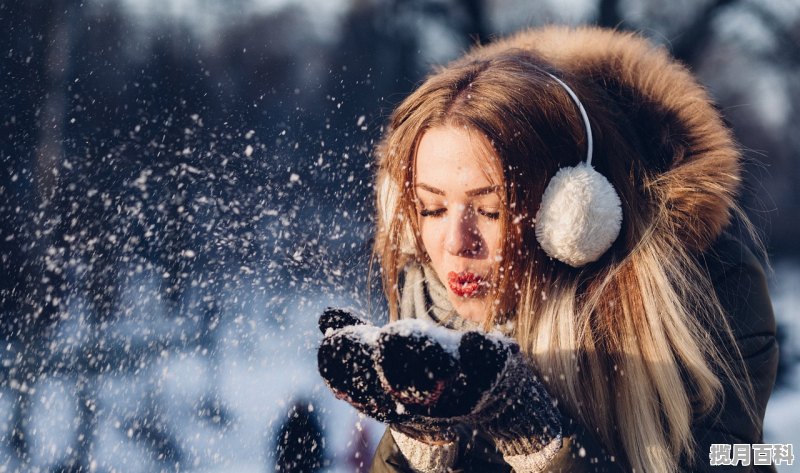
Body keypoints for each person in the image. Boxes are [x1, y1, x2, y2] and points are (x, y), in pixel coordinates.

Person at [317, 25, 779, 472]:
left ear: (573, 213)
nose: (457, 244)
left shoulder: (708, 290)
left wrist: (540, 445)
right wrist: (421, 446)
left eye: (491, 210)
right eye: (431, 209)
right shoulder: (427, 308)